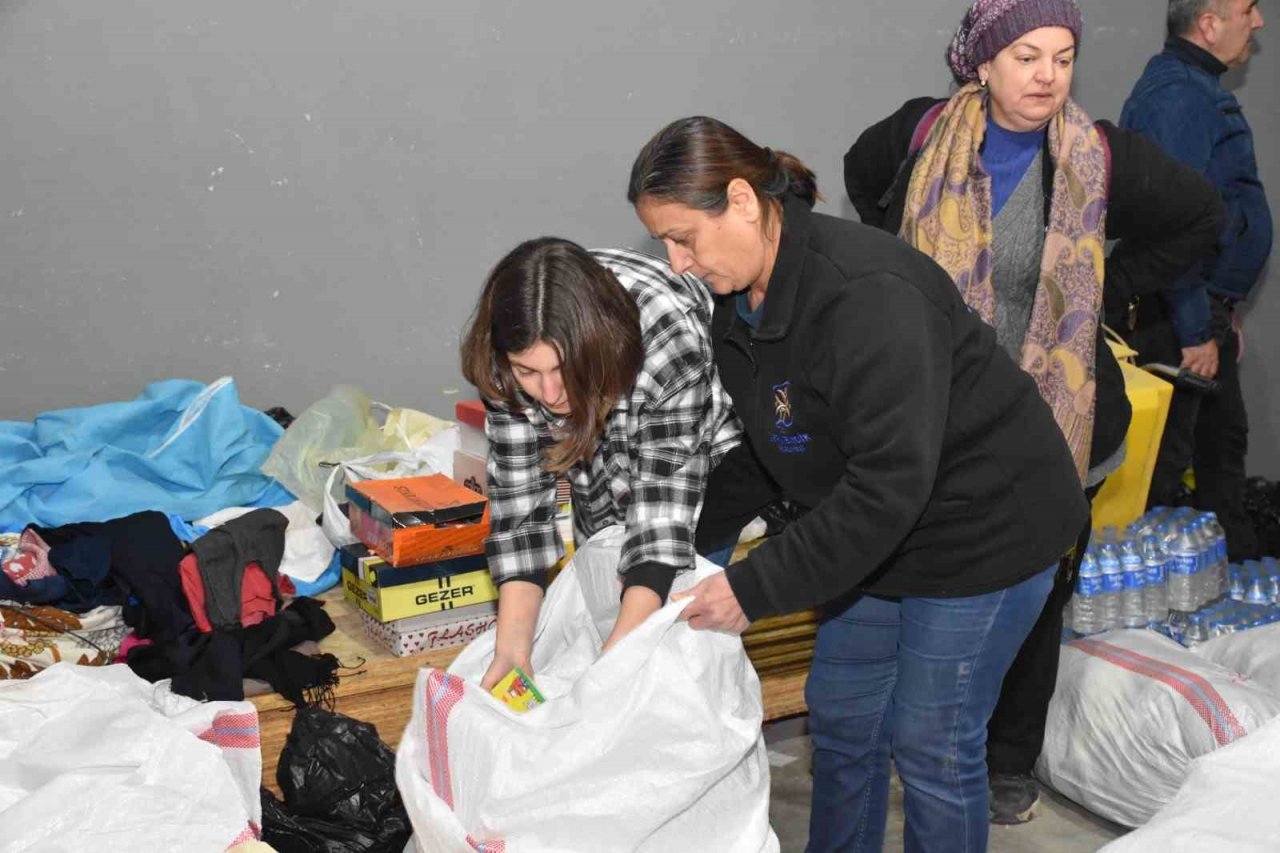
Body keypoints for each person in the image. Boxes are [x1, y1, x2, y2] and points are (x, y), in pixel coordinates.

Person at [628, 115, 1088, 853]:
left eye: (685, 237)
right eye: (664, 244)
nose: (677, 262)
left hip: (986, 530)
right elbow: (774, 442)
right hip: (880, 534)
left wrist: (752, 586)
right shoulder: (737, 301)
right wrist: (678, 539)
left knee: (932, 741)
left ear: (743, 201)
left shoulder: (867, 294)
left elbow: (888, 484)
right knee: (843, 719)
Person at [843, 0, 1225, 825]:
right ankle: (930, 739)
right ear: (980, 63)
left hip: (1057, 421)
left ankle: (1007, 762)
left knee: (1036, 592)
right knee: (929, 579)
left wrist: (1102, 293)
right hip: (933, 414)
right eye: (1025, 57)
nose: (1047, 76)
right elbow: (859, 176)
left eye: (1061, 57)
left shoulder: (1096, 155)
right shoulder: (919, 136)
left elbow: (1203, 217)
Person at [458, 238, 740, 690]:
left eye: (562, 369)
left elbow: (660, 529)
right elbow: (520, 512)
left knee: (674, 658)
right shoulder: (503, 360)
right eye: (529, 373)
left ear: (593, 345)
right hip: (597, 462)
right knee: (603, 604)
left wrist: (609, 674)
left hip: (694, 469)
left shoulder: (669, 341)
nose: (549, 394)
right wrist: (512, 652)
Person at [1120, 0, 1272, 561]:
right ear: (1209, 24)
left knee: (1218, 452)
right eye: (1248, 8)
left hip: (1199, 310)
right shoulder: (1178, 95)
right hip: (1176, 317)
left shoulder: (1193, 86)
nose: (1257, 21)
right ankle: (1158, 621)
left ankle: (1226, 602)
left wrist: (1221, 311)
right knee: (1171, 468)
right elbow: (1170, 225)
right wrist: (1191, 328)